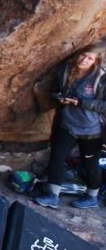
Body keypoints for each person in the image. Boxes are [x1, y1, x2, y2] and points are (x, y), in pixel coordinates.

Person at [35, 45, 106, 210]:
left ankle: (91, 196)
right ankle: (52, 195)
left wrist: (80, 102)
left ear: (95, 61)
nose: (84, 60)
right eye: (83, 55)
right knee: (57, 156)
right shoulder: (66, 70)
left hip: (91, 130)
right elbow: (58, 89)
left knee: (90, 164)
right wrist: (60, 98)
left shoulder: (100, 78)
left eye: (89, 58)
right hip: (67, 124)